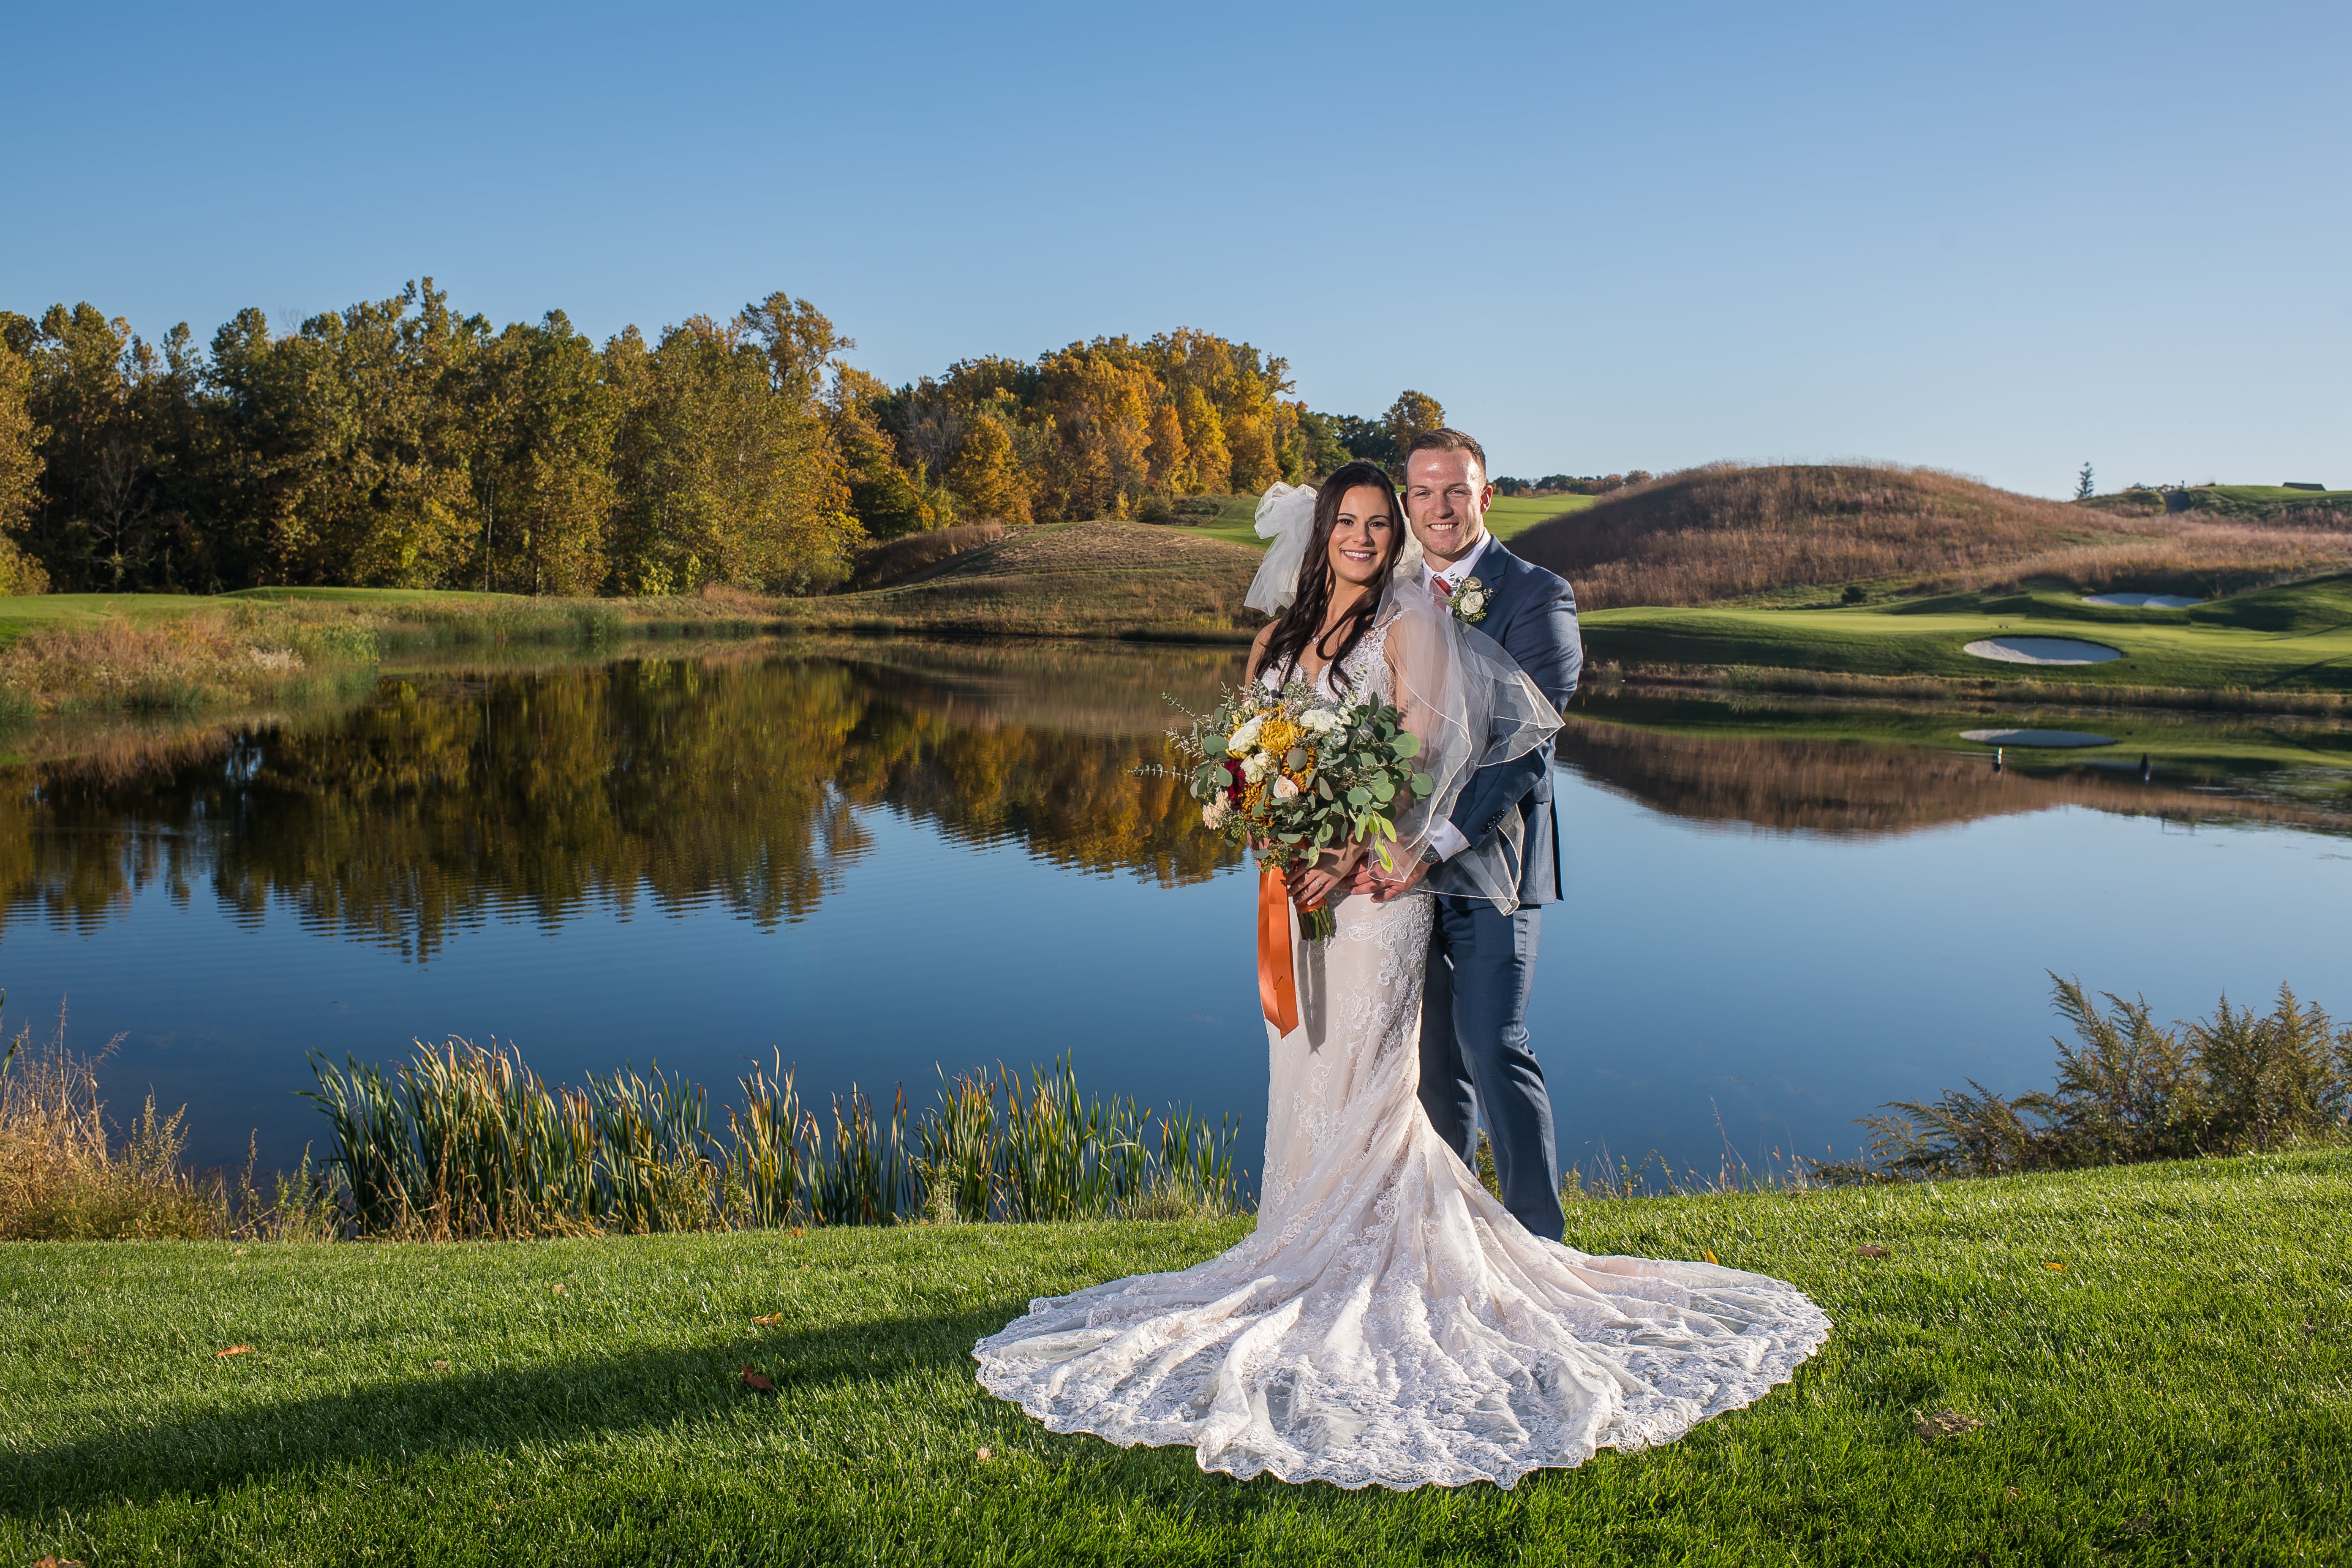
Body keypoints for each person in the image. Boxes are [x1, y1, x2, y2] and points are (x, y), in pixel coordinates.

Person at [973, 459, 1827, 1490]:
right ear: (1322, 528)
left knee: (1412, 1073)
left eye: (1387, 520)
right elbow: (1251, 754)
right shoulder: (1278, 639)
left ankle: (1483, 1249)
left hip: (1380, 891)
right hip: (1300, 888)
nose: (1371, 535)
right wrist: (1274, 826)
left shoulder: (1418, 622)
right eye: (1356, 518)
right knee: (1308, 1066)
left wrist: (1353, 848)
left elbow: (1428, 760)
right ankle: (1292, 1242)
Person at [1357, 429, 1581, 1242]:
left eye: (1457, 490)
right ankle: (1446, 1237)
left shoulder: (1536, 595)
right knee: (1429, 1068)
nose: (1439, 508)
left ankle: (1536, 1241)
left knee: (1494, 1048)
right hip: (1399, 869)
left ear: (1486, 497)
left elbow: (1527, 747)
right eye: (1423, 493)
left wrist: (1439, 841)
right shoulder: (1392, 591)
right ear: (1408, 503)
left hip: (1496, 864)